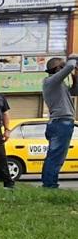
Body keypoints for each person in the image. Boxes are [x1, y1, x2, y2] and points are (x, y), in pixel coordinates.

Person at [40, 55, 78, 189]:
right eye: (62, 66)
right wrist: (73, 57)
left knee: (55, 155)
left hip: (61, 122)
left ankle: (48, 183)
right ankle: (49, 184)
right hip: (60, 122)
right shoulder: (50, 81)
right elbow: (70, 66)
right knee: (56, 156)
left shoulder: (59, 85)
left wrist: (75, 75)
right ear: (58, 69)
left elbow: (75, 91)